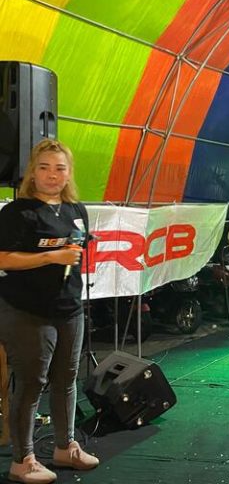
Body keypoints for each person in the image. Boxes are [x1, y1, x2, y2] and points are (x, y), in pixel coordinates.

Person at [0, 139, 99, 484]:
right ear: (33, 172)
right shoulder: (17, 212)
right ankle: (22, 460)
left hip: (69, 308)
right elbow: (2, 258)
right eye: (44, 167)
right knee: (31, 384)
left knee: (66, 380)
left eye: (59, 168)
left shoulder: (76, 210)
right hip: (26, 310)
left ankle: (65, 447)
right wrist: (51, 256)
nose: (52, 175)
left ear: (69, 173)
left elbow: (79, 247)